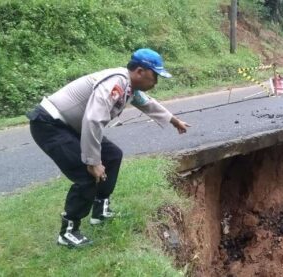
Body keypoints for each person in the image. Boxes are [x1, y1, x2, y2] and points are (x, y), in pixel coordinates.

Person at [26, 48, 190, 247]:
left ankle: (100, 210)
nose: (156, 82)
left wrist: (174, 121)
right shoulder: (116, 83)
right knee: (86, 174)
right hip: (50, 125)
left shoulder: (130, 88)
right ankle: (68, 232)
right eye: (154, 76)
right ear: (140, 71)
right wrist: (93, 161)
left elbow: (148, 104)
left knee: (112, 155)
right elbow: (93, 119)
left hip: (71, 126)